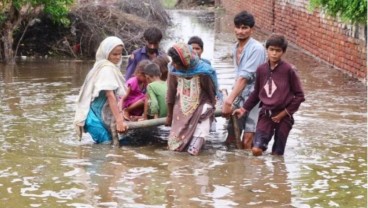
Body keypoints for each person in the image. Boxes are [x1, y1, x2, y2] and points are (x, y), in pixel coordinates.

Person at [233, 34, 305, 156]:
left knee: (277, 154)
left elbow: (299, 96)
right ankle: (260, 174)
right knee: (256, 150)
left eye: (278, 51)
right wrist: (244, 109)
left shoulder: (289, 70)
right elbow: (256, 93)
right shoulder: (261, 69)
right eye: (271, 50)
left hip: (284, 116)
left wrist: (283, 114)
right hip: (266, 114)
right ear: (267, 50)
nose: (274, 54)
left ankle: (276, 175)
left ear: (283, 52)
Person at [222, 10, 267, 149]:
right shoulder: (235, 47)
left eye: (244, 28)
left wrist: (228, 101)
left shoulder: (257, 49)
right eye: (238, 27)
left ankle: (249, 168)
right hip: (240, 96)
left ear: (251, 30)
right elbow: (238, 77)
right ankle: (234, 166)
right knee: (231, 136)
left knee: (248, 139)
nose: (240, 31)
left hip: (255, 98)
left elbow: (244, 78)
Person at [166, 42, 219, 156]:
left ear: (185, 62)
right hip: (181, 109)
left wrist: (211, 110)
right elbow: (170, 93)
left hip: (201, 107)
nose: (174, 64)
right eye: (173, 61)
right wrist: (169, 116)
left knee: (193, 150)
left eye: (176, 62)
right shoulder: (173, 70)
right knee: (175, 148)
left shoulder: (204, 72)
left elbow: (211, 94)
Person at [74, 36, 128, 144]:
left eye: (120, 54)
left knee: (112, 145)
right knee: (106, 146)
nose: (118, 57)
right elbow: (110, 95)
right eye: (114, 54)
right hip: (94, 119)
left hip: (99, 116)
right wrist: (119, 120)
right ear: (106, 54)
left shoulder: (106, 67)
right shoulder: (106, 69)